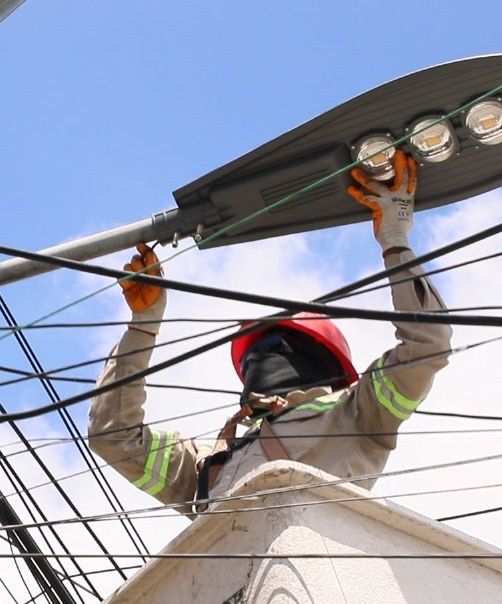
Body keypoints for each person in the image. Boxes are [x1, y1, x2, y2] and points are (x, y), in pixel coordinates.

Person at [88, 150, 451, 512]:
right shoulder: (210, 459)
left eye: (275, 344)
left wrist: (395, 239)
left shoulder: (355, 415)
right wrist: (144, 325)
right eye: (250, 357)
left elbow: (427, 345)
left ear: (323, 360)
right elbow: (113, 438)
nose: (258, 359)